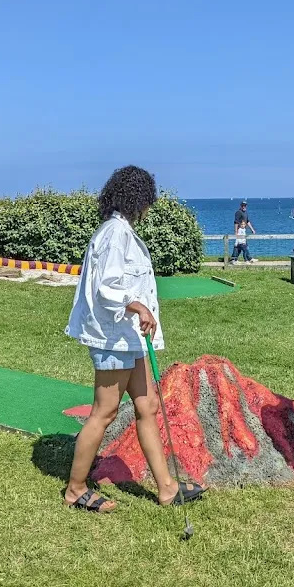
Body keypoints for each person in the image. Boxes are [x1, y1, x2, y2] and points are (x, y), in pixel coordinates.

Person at [63, 165, 205, 513]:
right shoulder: (115, 233)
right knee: (105, 412)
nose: (149, 207)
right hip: (113, 338)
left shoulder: (122, 231)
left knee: (148, 406)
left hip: (130, 338)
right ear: (138, 198)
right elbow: (107, 287)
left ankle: (167, 488)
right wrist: (138, 306)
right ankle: (75, 489)